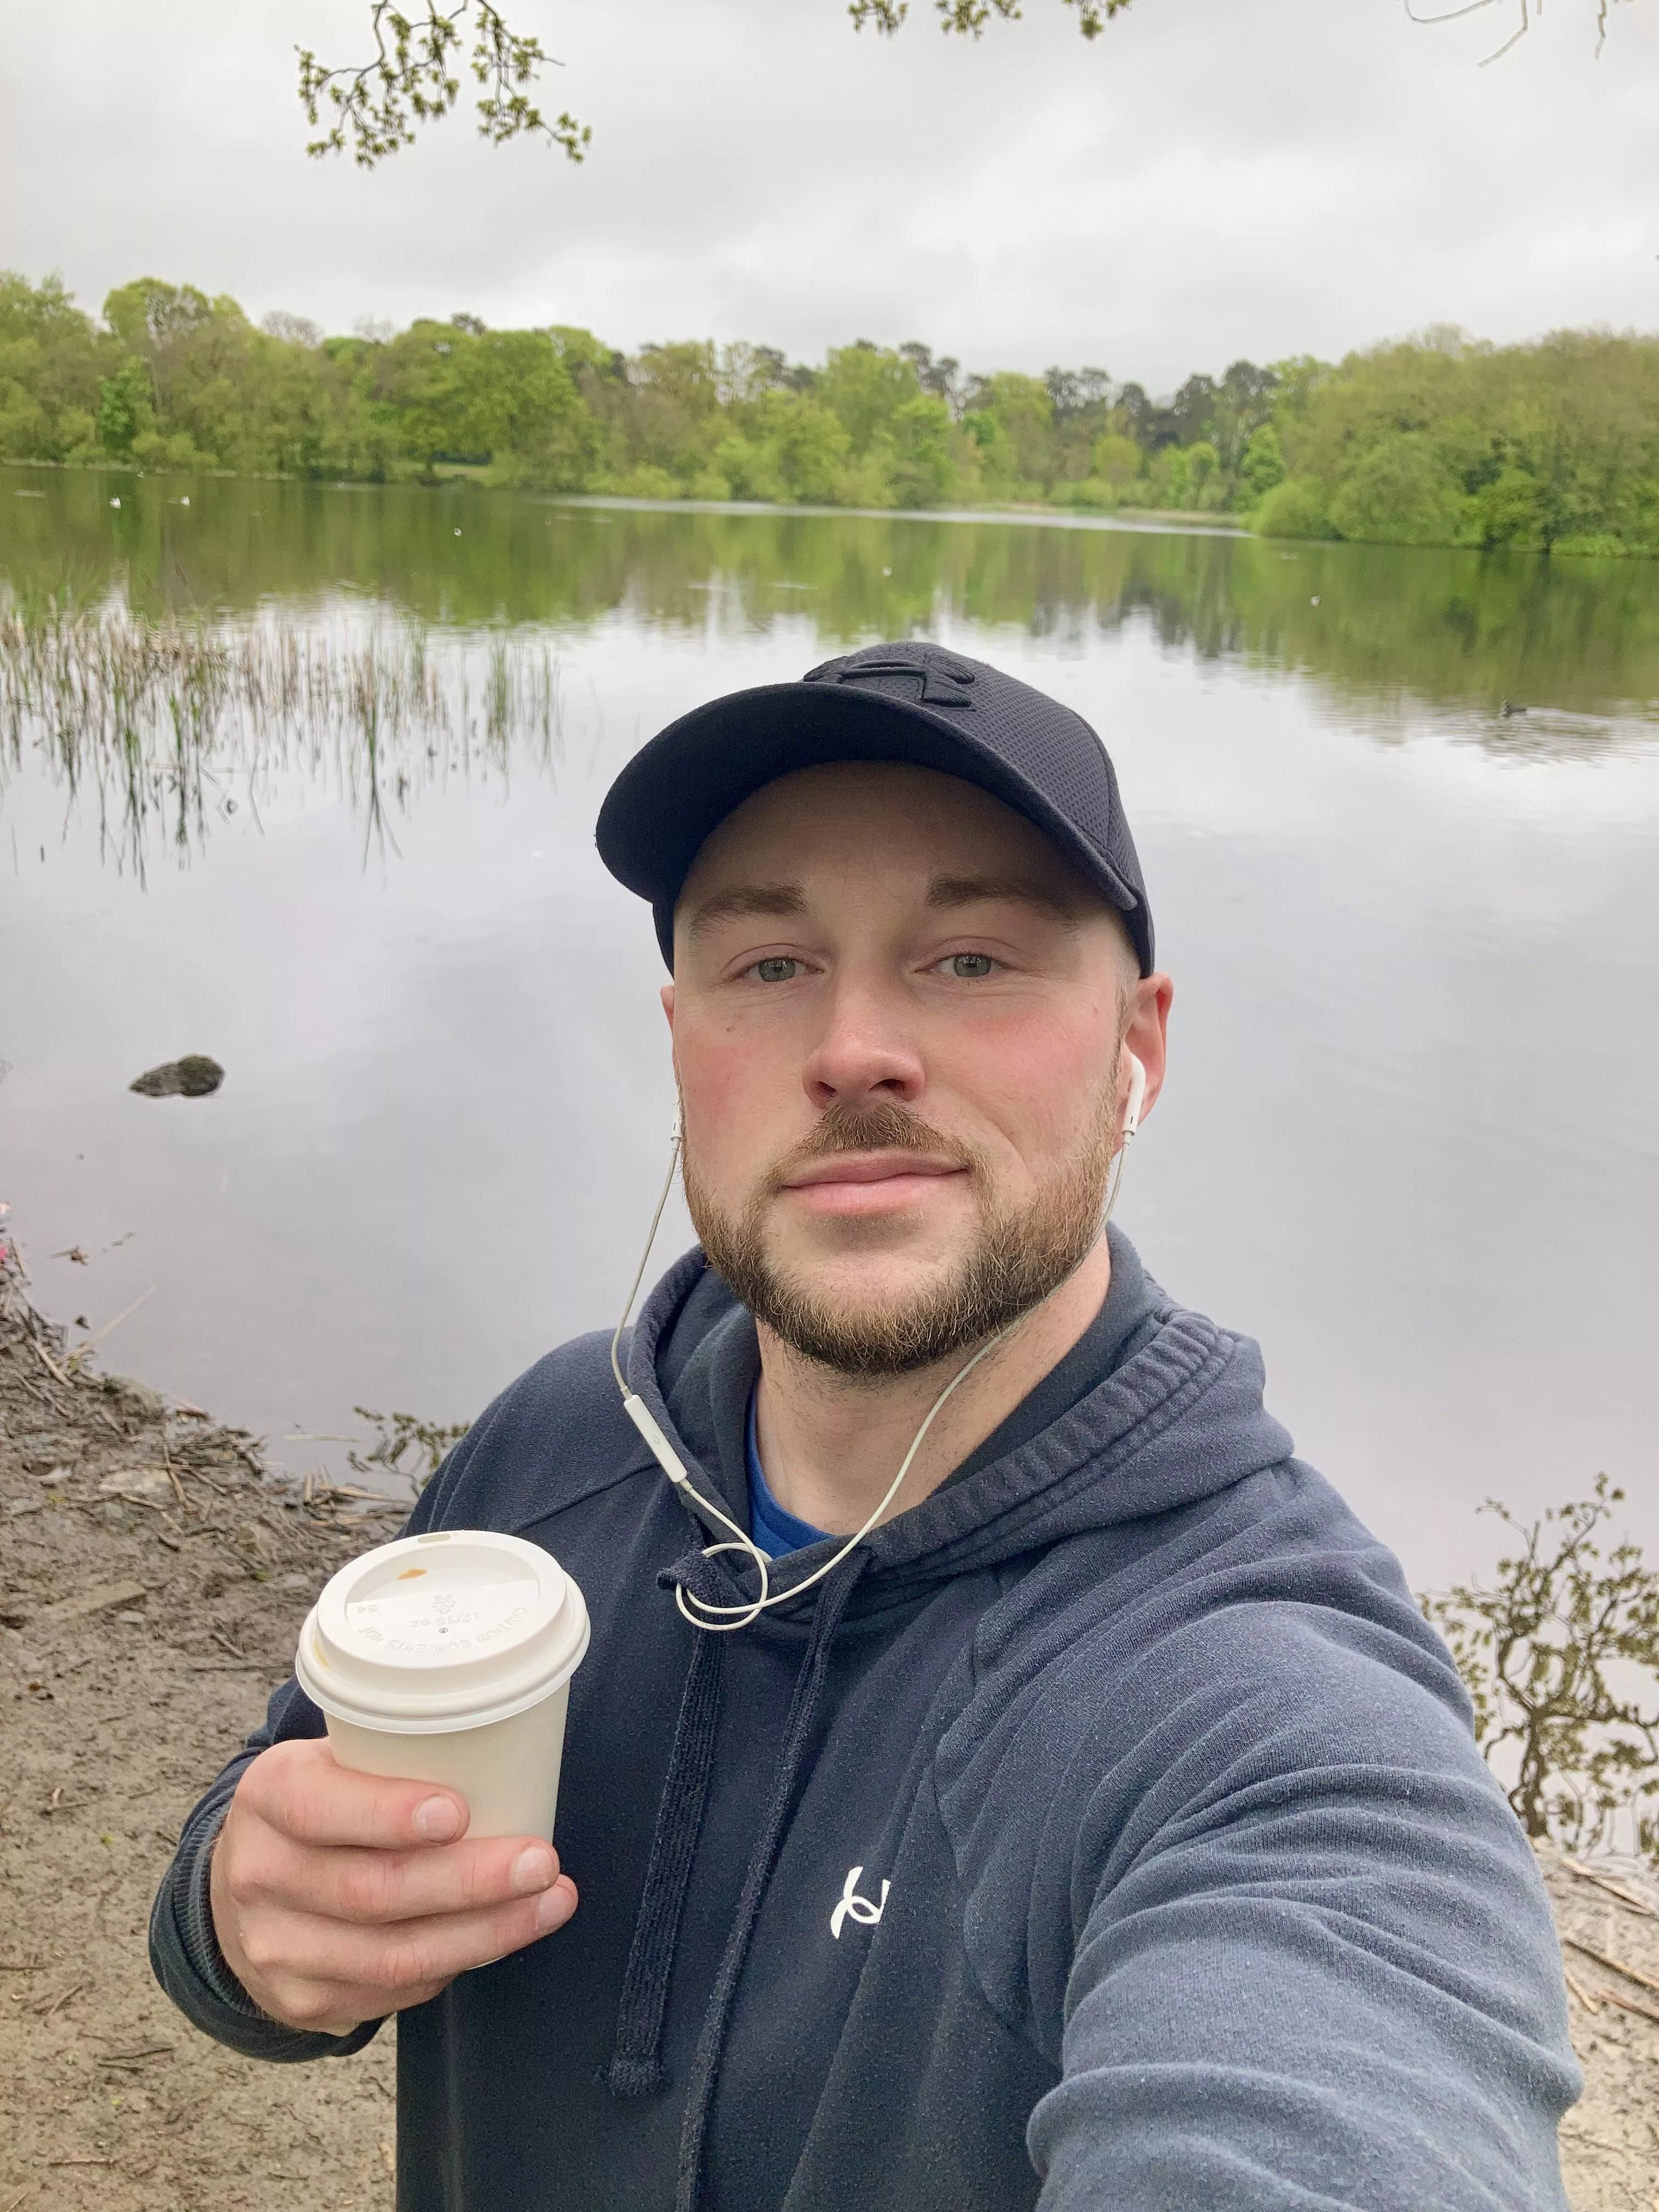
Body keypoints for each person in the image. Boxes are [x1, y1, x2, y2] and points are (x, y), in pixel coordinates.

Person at [153, 640, 1578, 2211]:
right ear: (681, 1037)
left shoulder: (1252, 1711)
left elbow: (1337, 2077)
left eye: (971, 957)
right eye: (769, 966)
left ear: (1140, 1048)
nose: (852, 1051)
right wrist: (242, 1918)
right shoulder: (555, 1452)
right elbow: (274, 1841)